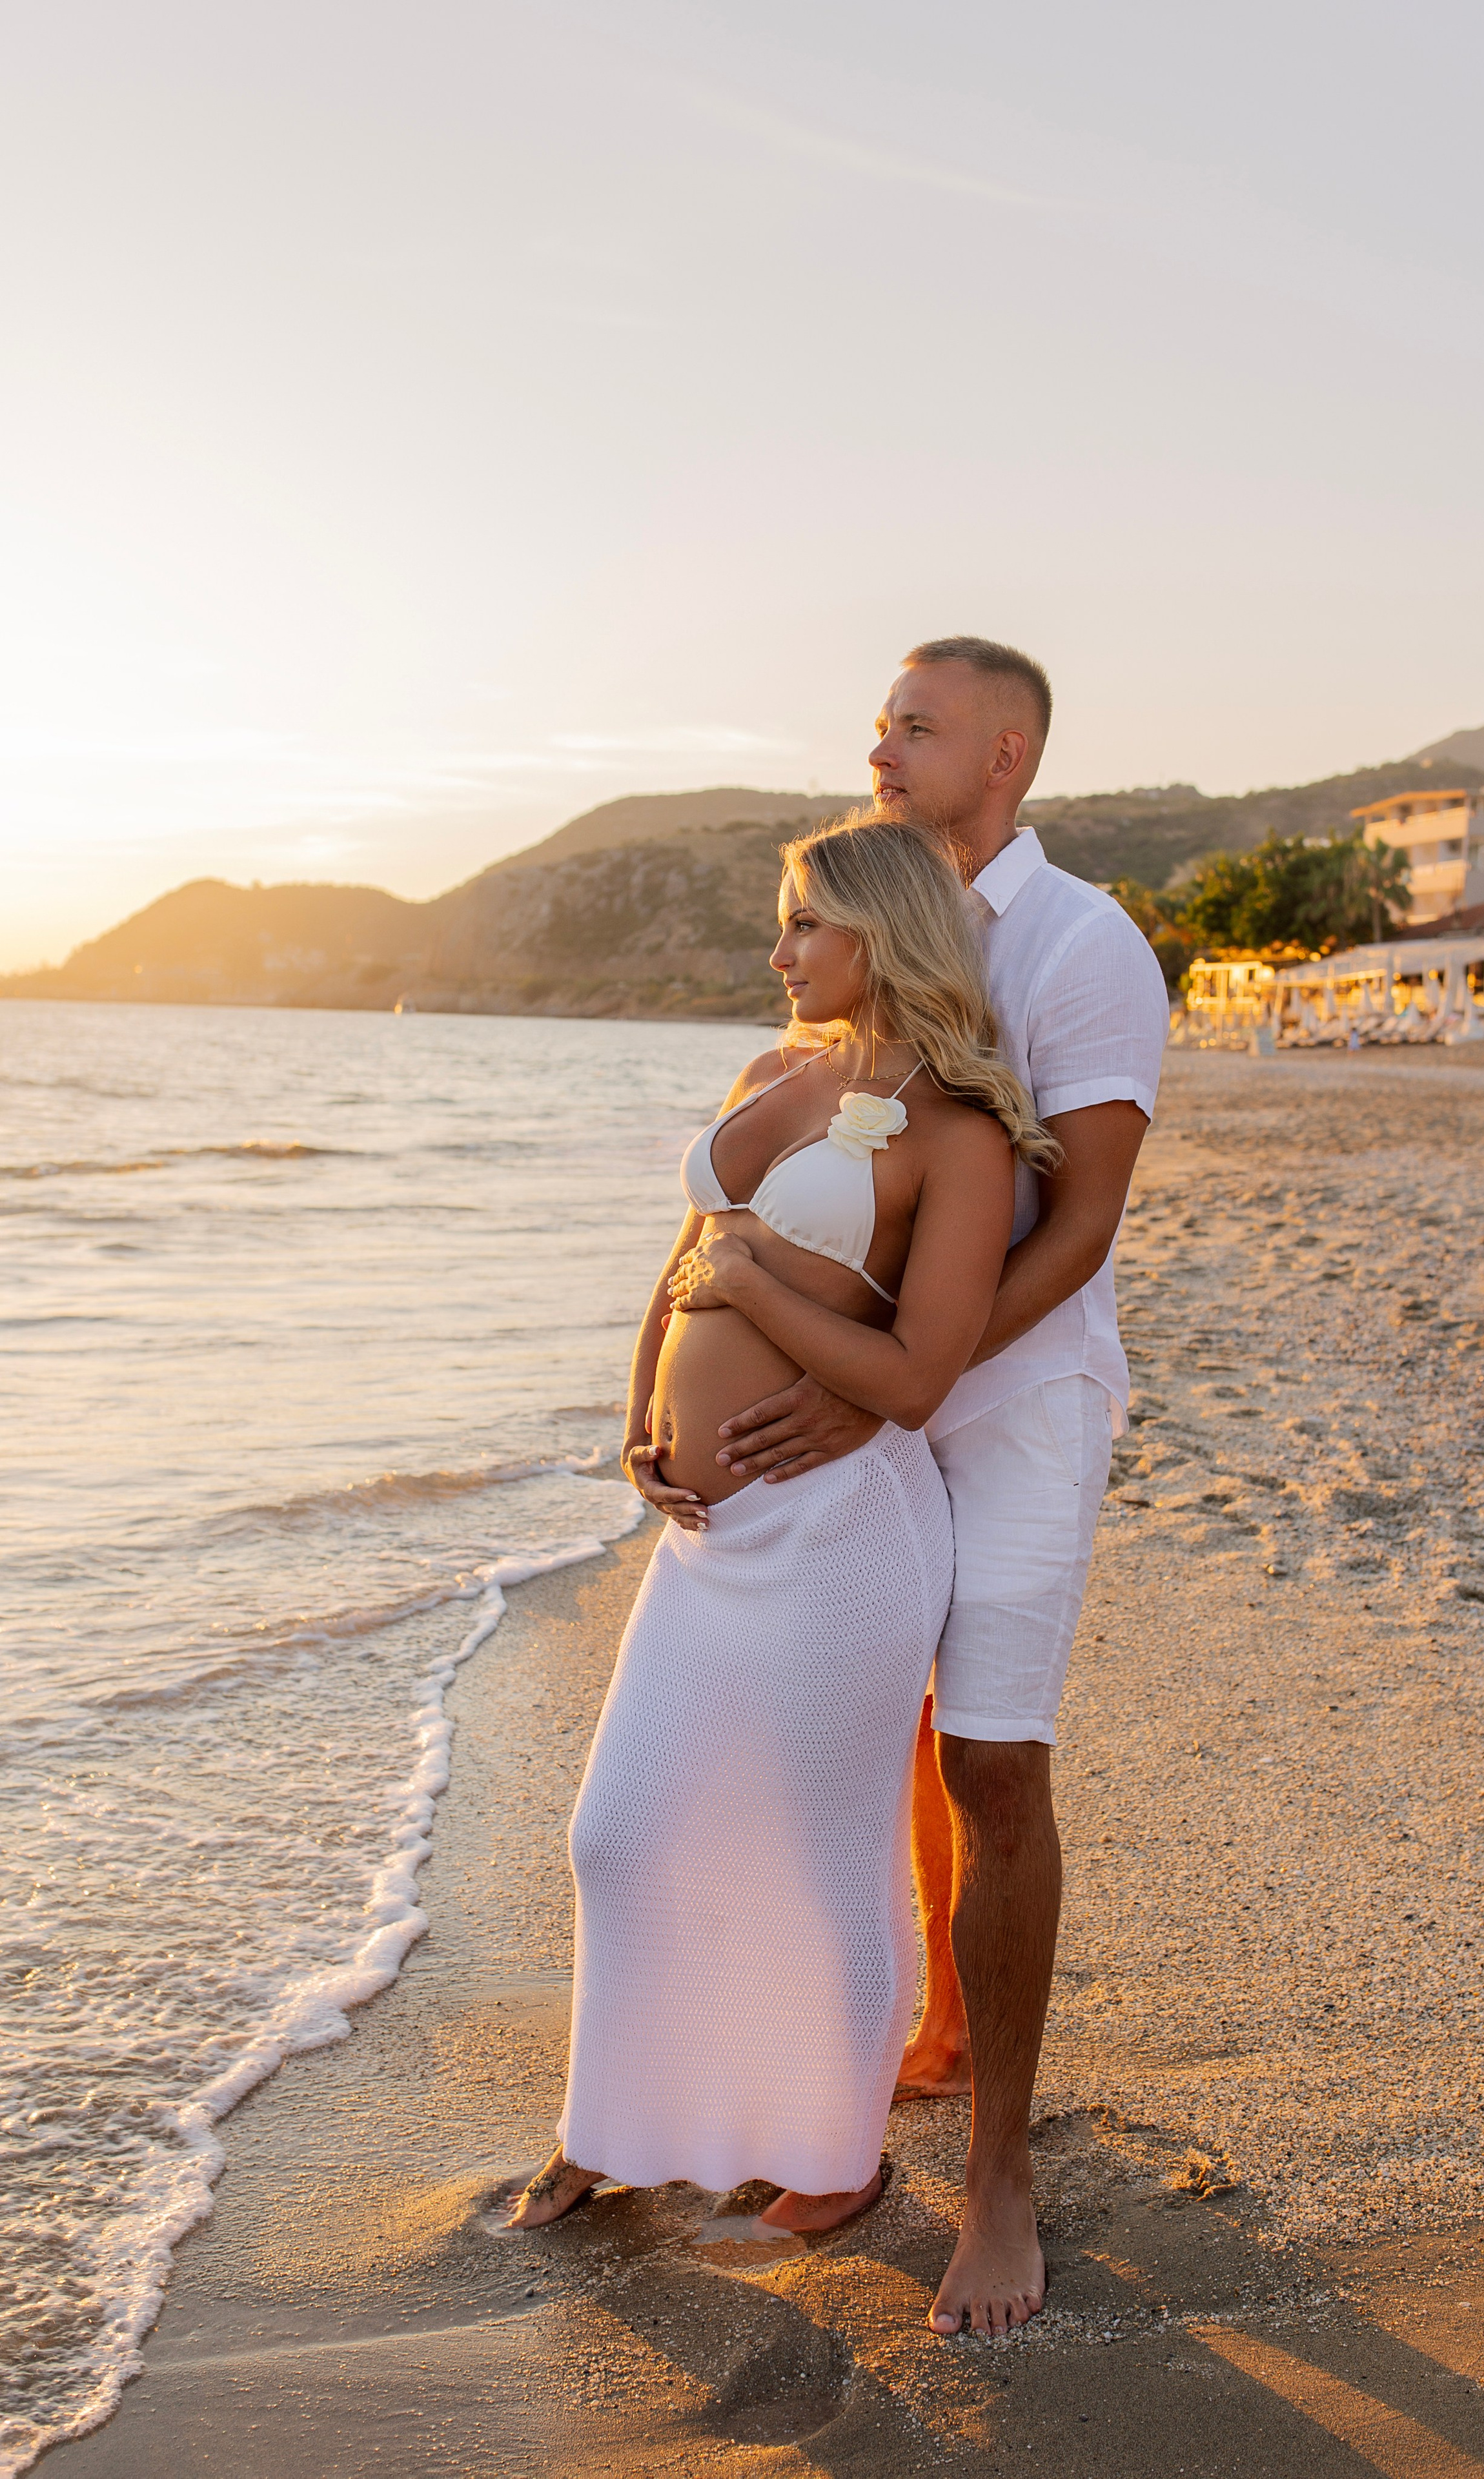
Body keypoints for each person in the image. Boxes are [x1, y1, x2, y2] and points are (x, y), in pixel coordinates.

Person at [505, 817, 1059, 2238]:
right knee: (622, 1834)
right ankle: (621, 2125)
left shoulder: (960, 1131)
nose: (780, 950)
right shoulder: (769, 1073)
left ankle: (835, 2146)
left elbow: (917, 1372)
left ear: (881, 932)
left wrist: (752, 1294)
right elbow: (685, 1258)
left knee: (818, 1863)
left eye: (804, 923)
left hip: (840, 1536)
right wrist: (638, 1424)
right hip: (703, 1542)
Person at [709, 638, 1169, 2335]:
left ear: (1009, 756)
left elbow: (1084, 1226)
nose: (882, 744)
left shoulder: (1081, 944)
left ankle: (1002, 2177)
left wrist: (897, 1388)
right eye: (881, 721)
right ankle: (915, 2042)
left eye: (918, 724)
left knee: (990, 1754)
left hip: (1020, 1402)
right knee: (879, 1725)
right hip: (887, 1388)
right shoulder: (890, 931)